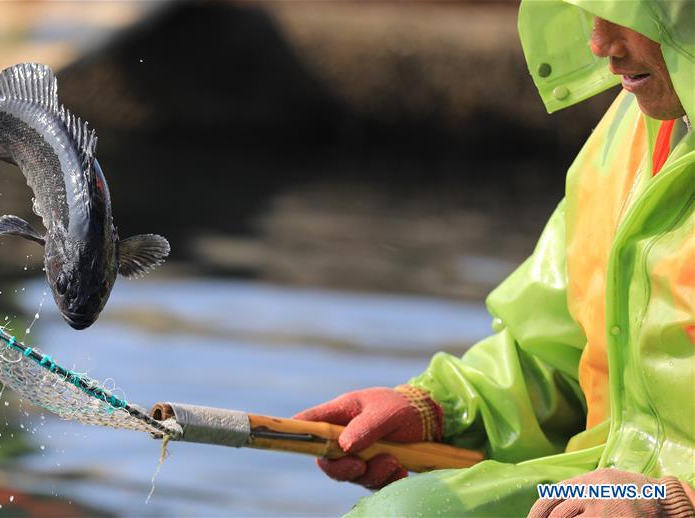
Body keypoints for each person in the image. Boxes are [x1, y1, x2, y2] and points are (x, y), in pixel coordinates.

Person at [295, 0, 694, 516]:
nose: (599, 44)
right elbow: (557, 352)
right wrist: (439, 409)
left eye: (637, 14)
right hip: (613, 487)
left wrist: (675, 503)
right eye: (587, 9)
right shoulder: (628, 134)